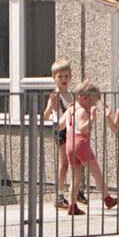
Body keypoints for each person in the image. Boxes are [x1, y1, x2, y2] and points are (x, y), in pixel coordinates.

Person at [61, 81, 119, 215]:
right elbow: (82, 128)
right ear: (84, 98)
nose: (94, 105)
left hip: (69, 143)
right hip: (80, 143)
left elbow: (60, 125)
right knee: (96, 172)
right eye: (93, 102)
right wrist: (92, 118)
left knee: (75, 177)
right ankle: (107, 198)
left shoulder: (70, 109)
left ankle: (72, 205)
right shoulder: (82, 111)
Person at [44, 58, 76, 209]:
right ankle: (59, 195)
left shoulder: (70, 93)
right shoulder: (55, 96)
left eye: (66, 76)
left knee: (76, 162)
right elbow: (45, 116)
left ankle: (76, 190)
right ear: (54, 78)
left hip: (73, 130)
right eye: (60, 76)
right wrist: (52, 107)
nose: (64, 79)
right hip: (62, 130)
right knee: (64, 164)